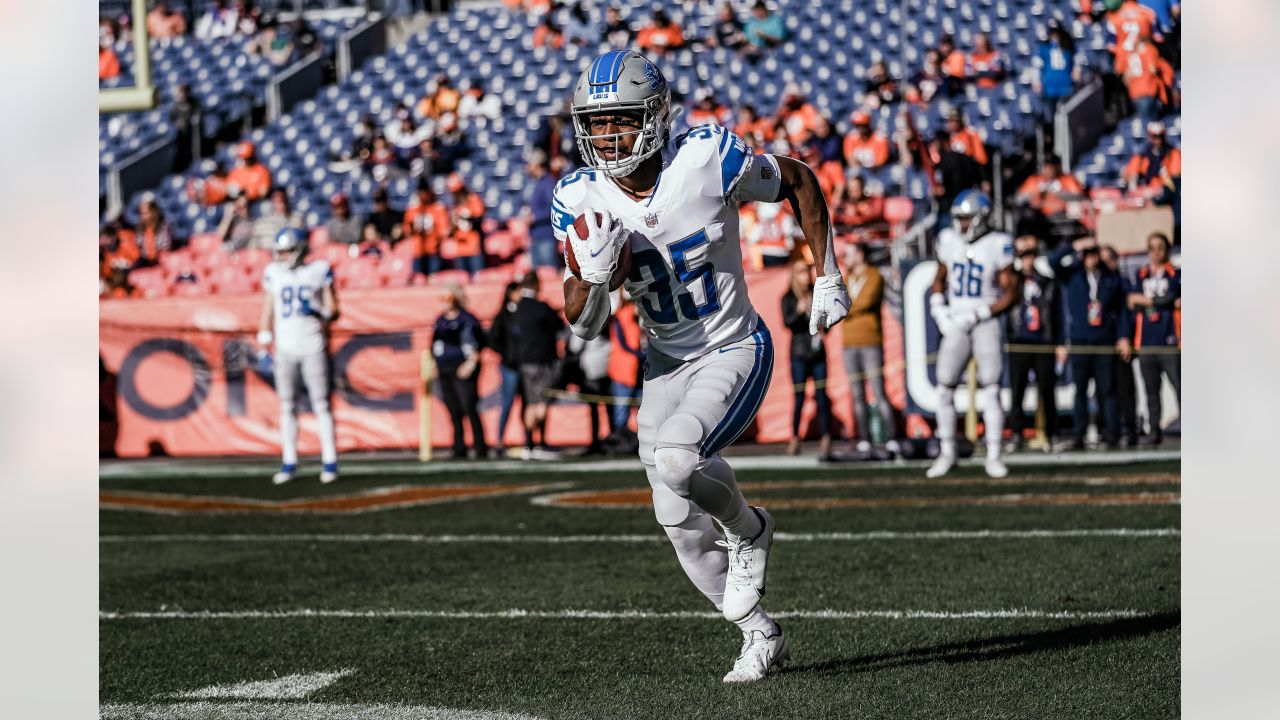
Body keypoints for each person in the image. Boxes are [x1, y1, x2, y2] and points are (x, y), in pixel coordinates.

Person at [558, 50, 850, 682]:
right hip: (664, 364)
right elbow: (582, 323)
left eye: (621, 120)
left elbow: (798, 178)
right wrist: (593, 273)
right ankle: (759, 636)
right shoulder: (579, 195)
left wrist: (828, 276)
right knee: (676, 522)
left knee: (678, 459)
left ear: (657, 117)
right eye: (598, 123)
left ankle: (750, 530)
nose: (608, 136)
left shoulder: (705, 157)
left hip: (733, 345)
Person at [926, 190, 1021, 479]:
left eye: (966, 219)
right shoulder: (948, 240)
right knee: (944, 385)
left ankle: (993, 454)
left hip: (984, 319)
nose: (961, 225)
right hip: (956, 320)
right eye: (959, 219)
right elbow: (939, 279)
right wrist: (938, 306)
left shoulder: (998, 244)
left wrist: (981, 313)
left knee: (991, 385)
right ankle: (947, 452)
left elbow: (1012, 292)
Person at [257, 227, 340, 484]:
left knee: (321, 403)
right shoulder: (273, 273)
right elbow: (268, 307)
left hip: (312, 344)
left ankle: (330, 461)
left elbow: (334, 311)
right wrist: (263, 339)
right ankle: (289, 461)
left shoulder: (318, 270)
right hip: (285, 346)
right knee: (287, 405)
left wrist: (318, 310)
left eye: (286, 250)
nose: (282, 256)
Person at [1048, 237, 1132, 450]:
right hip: (1080, 341)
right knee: (1081, 391)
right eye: (1089, 254)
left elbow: (1121, 310)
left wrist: (1123, 336)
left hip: (1104, 341)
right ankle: (1079, 434)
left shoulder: (1109, 278)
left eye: (1095, 254)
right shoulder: (1074, 275)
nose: (1092, 258)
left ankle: (1111, 433)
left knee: (1108, 390)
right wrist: (1074, 245)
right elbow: (1053, 262)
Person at [1005, 238, 1060, 450]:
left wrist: (1058, 341)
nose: (1027, 262)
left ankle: (1051, 433)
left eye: (1030, 257)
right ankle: (1017, 433)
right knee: (1017, 391)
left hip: (1042, 341)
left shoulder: (1046, 282)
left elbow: (1055, 314)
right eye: (1023, 258)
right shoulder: (1013, 282)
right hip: (1019, 342)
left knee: (1047, 390)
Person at [1127, 231, 1181, 444]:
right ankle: (1154, 430)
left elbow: (1174, 297)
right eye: (1153, 248)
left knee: (1181, 388)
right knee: (1151, 392)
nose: (1157, 252)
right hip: (1146, 343)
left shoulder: (1175, 273)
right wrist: (1162, 302)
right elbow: (1131, 300)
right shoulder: (1141, 274)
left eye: (1161, 247)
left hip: (1170, 341)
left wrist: (1147, 300)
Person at [841, 243, 895, 453]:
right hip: (849, 344)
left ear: (861, 255)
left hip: (871, 341)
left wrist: (846, 307)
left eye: (850, 253)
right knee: (857, 395)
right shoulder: (846, 278)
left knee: (878, 390)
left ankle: (891, 437)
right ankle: (864, 438)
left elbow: (866, 301)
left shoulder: (875, 275)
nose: (846, 257)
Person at [781, 261, 833, 457]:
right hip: (799, 354)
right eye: (802, 272)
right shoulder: (788, 297)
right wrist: (799, 311)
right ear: (795, 274)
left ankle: (826, 438)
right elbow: (788, 323)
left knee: (822, 396)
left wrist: (822, 321)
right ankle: (794, 438)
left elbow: (827, 323)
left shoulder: (817, 295)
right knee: (799, 398)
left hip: (818, 352)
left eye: (807, 272)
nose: (806, 276)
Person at [431, 283, 489, 459]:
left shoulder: (467, 319)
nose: (443, 303)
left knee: (469, 407)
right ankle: (459, 446)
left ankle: (480, 447)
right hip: (444, 368)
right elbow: (435, 344)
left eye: (447, 298)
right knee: (453, 410)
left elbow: (478, 344)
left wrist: (471, 363)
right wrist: (434, 363)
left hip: (462, 367)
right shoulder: (440, 320)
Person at [514, 273, 564, 456]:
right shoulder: (540, 307)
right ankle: (540, 444)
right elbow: (558, 326)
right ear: (536, 285)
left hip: (525, 361)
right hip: (542, 360)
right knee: (541, 403)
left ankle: (528, 444)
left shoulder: (517, 307)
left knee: (530, 402)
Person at [487, 282, 527, 451]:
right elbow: (492, 339)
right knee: (507, 403)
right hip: (510, 366)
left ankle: (529, 440)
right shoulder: (503, 315)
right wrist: (507, 353)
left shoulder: (525, 313)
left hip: (525, 365)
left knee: (527, 404)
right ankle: (500, 440)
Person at [1014, 153, 1084, 239]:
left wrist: (1057, 194)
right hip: (1039, 217)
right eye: (1046, 166)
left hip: (1061, 215)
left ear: (1058, 166)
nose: (1048, 169)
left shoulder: (1067, 179)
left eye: (1051, 166)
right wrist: (1036, 196)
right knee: (1026, 215)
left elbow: (1079, 196)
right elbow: (1019, 199)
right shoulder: (1034, 180)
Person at [1034, 23, 1084, 126]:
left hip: (1065, 86)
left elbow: (1078, 59)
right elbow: (1036, 66)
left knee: (1065, 117)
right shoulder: (1044, 47)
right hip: (1049, 87)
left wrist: (1077, 70)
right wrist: (1036, 80)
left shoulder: (1068, 46)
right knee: (1051, 119)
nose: (1054, 35)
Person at [1122, 121, 1180, 201]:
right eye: (1155, 137)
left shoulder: (1172, 153)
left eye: (1160, 136)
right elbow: (1129, 173)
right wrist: (1132, 179)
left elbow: (1175, 176)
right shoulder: (1143, 155)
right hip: (1147, 192)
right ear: (1150, 137)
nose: (1158, 140)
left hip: (1167, 192)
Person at [1122, 37, 1175, 122]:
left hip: (1135, 94)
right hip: (1148, 90)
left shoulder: (1129, 54)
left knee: (1143, 123)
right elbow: (1152, 69)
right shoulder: (1149, 49)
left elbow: (1125, 79)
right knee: (1153, 123)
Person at [404, 179, 449, 276]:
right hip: (417, 250)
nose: (422, 195)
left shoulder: (437, 208)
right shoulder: (413, 209)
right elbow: (407, 229)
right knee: (418, 280)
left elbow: (443, 229)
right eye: (420, 192)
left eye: (424, 192)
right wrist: (411, 229)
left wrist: (437, 238)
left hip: (433, 250)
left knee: (433, 279)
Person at [525, 151, 561, 269]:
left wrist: (534, 217)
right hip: (537, 236)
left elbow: (553, 207)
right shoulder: (538, 183)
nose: (527, 167)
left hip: (546, 237)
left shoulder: (548, 182)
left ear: (537, 165)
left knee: (549, 275)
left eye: (529, 164)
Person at [447, 174, 486, 276]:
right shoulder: (455, 206)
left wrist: (465, 218)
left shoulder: (473, 200)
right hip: (460, 248)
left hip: (474, 247)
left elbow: (478, 219)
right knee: (461, 278)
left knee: (477, 278)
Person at [169, 84, 201, 172]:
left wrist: (192, 119)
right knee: (181, 152)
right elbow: (172, 117)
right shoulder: (176, 106)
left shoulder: (193, 102)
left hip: (192, 131)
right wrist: (178, 123)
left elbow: (196, 112)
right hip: (180, 133)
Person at [135, 194, 174, 265]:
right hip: (146, 261)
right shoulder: (140, 229)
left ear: (153, 212)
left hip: (162, 260)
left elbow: (165, 248)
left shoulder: (164, 226)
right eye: (141, 213)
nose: (143, 216)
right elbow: (139, 247)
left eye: (145, 213)